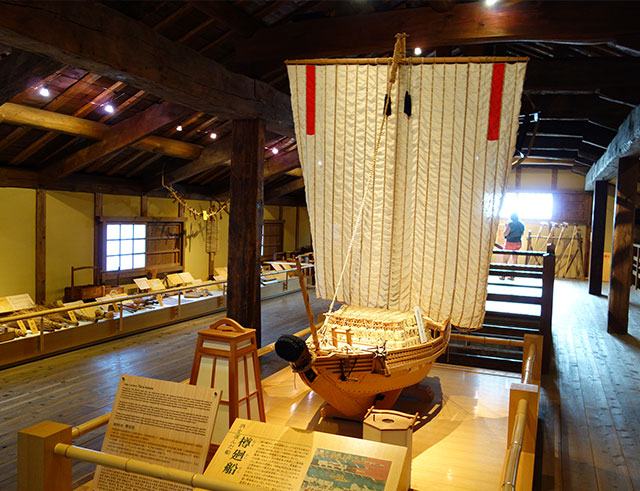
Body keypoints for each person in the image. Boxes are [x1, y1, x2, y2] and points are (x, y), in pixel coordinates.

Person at [501, 213, 525, 280]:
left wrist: (506, 227)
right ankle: (512, 276)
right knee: (515, 259)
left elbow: (505, 234)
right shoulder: (521, 224)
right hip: (518, 243)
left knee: (505, 260)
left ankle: (503, 275)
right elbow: (522, 233)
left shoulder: (510, 224)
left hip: (510, 243)